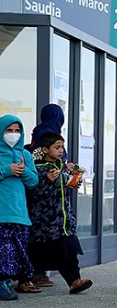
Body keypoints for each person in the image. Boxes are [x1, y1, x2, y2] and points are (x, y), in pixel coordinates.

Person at [26, 132, 93, 294]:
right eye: (57, 147)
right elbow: (34, 193)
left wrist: (73, 176)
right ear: (45, 149)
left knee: (69, 251)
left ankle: (75, 281)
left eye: (62, 147)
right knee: (36, 253)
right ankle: (27, 279)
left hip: (63, 222)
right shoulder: (38, 169)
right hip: (44, 223)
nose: (61, 150)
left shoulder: (61, 167)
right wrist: (47, 181)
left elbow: (69, 184)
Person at [24, 103, 73, 287]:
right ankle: (38, 274)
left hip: (50, 194)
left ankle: (39, 273)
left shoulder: (38, 131)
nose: (60, 149)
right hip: (47, 198)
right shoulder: (47, 133)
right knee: (47, 236)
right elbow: (40, 160)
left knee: (42, 237)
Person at [0, 115, 39, 301]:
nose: (13, 134)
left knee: (16, 251)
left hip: (19, 214)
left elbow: (33, 182)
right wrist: (7, 170)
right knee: (3, 250)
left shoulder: (25, 155)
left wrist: (23, 171)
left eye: (17, 131)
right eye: (9, 130)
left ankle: (11, 281)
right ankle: (3, 283)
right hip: (2, 213)